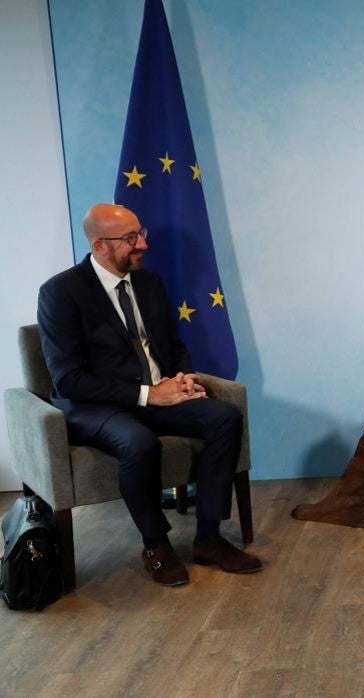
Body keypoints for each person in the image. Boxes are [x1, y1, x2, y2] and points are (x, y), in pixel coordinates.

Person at [37, 203, 261, 586]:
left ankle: (208, 538)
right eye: (130, 238)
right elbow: (68, 380)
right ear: (100, 245)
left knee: (224, 417)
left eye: (141, 234)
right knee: (139, 444)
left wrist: (184, 378)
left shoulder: (149, 283)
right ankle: (156, 545)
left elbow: (172, 345)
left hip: (159, 395)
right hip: (96, 405)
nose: (142, 243)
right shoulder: (61, 293)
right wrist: (149, 394)